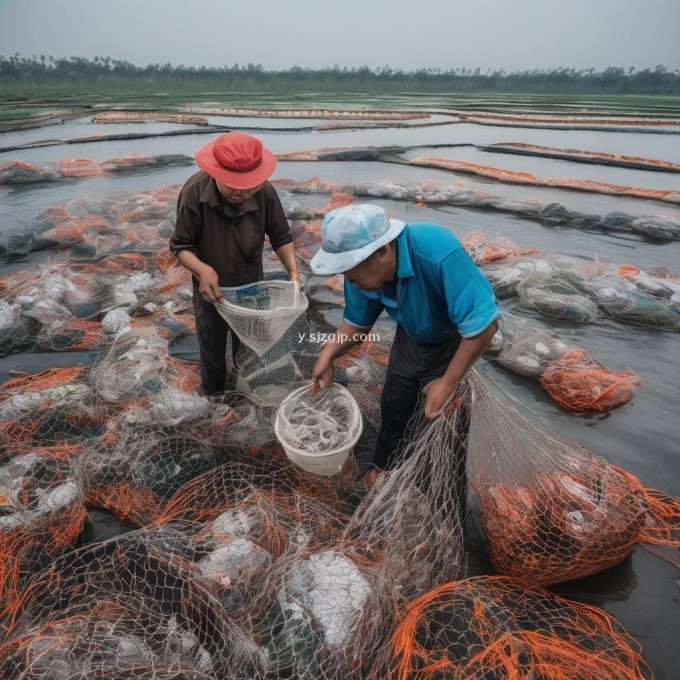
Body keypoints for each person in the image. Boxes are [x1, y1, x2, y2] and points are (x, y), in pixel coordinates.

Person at [310, 204, 499, 489]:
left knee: (444, 421)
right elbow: (357, 322)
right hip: (411, 337)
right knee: (394, 407)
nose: (348, 280)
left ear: (383, 251)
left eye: (351, 271)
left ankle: (442, 494)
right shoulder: (361, 275)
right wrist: (327, 355)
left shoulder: (436, 251)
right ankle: (383, 470)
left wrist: (448, 382)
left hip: (455, 342)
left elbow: (484, 326)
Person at [169, 132, 300, 394]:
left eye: (249, 186)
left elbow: (281, 237)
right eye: (233, 186)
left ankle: (245, 393)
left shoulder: (265, 192)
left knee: (251, 348)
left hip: (253, 287)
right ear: (216, 173)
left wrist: (294, 273)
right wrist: (202, 270)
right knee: (212, 348)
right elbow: (181, 246)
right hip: (212, 292)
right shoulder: (193, 193)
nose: (242, 192)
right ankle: (215, 398)